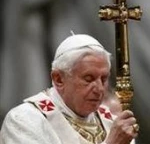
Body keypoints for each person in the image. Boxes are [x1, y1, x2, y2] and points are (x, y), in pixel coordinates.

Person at [0, 34, 138, 144]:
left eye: (103, 79)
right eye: (88, 79)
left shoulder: (111, 122)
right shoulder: (25, 120)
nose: (99, 89)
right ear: (58, 79)